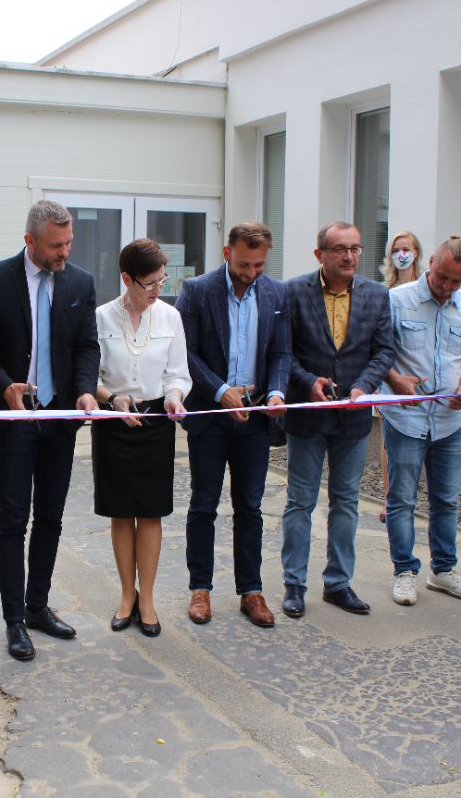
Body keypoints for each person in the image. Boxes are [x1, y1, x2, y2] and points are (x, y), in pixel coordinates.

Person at [0, 199, 101, 661]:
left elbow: (87, 345)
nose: (64, 252)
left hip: (60, 416)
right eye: (55, 245)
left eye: (68, 243)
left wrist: (84, 390)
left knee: (51, 516)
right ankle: (13, 620)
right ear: (29, 240)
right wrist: (3, 384)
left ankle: (37, 607)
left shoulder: (80, 282)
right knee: (13, 518)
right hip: (14, 417)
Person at [174, 222, 291, 628]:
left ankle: (251, 591)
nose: (251, 273)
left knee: (250, 507)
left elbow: (281, 352)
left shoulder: (276, 292)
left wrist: (276, 392)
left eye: (259, 265)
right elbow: (184, 351)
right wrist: (221, 390)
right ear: (227, 254)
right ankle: (200, 589)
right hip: (210, 417)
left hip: (255, 418)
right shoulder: (197, 290)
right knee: (203, 503)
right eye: (244, 264)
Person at [279, 221, 394, 618]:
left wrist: (363, 387)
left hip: (353, 417)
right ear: (320, 254)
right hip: (308, 416)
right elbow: (283, 351)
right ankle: (294, 584)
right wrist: (307, 382)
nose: (349, 256)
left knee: (346, 501)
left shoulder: (377, 295)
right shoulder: (293, 292)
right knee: (300, 501)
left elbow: (384, 351)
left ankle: (338, 583)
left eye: (355, 249)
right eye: (340, 249)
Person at [92, 239, 191, 638]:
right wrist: (111, 399)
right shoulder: (101, 317)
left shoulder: (170, 317)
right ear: (126, 279)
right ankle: (126, 596)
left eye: (161, 281)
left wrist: (174, 397)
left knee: (150, 511)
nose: (157, 290)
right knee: (120, 511)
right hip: (113, 419)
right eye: (149, 283)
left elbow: (178, 373)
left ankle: (146, 598)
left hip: (155, 421)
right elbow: (89, 375)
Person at [379, 235, 461, 606]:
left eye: (457, 280)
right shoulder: (397, 300)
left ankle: (443, 570)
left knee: (447, 500)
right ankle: (404, 572)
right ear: (431, 264)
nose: (447, 286)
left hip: (449, 422)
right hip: (405, 419)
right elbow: (376, 353)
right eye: (442, 277)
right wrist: (395, 379)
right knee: (401, 499)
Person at [376, 231, 425, 523]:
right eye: (397, 249)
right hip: (390, 377)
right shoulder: (385, 292)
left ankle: (411, 495)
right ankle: (389, 497)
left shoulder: (425, 289)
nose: (402, 254)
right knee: (388, 440)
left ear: (416, 252)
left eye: (407, 249)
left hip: (419, 377)